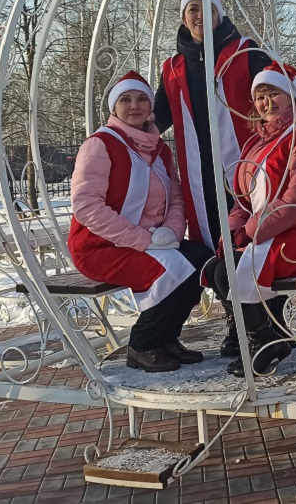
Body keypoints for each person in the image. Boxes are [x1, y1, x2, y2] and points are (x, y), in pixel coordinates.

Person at [204, 61, 296, 376]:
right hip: (276, 231)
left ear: (291, 93)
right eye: (260, 97)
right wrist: (234, 230)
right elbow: (242, 199)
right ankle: (272, 336)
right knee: (218, 266)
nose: (266, 103)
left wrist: (251, 230)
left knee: (233, 270)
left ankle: (267, 343)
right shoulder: (257, 141)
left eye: (273, 93)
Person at [68, 71, 214, 373]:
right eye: (125, 100)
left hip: (152, 242)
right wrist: (146, 240)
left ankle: (166, 338)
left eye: (142, 99)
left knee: (202, 258)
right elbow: (86, 207)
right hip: (100, 247)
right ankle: (142, 344)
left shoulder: (160, 149)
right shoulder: (101, 144)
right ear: (114, 108)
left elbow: (176, 198)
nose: (134, 106)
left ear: (151, 107)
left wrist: (172, 233)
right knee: (172, 268)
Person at [153, 0, 273, 345]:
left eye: (206, 8)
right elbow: (160, 116)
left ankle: (263, 321)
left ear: (220, 13)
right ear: (183, 17)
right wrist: (120, 130)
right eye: (191, 8)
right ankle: (236, 319)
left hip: (246, 166)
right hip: (200, 173)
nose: (199, 15)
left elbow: (275, 94)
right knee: (213, 242)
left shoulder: (245, 52)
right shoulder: (173, 68)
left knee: (251, 237)